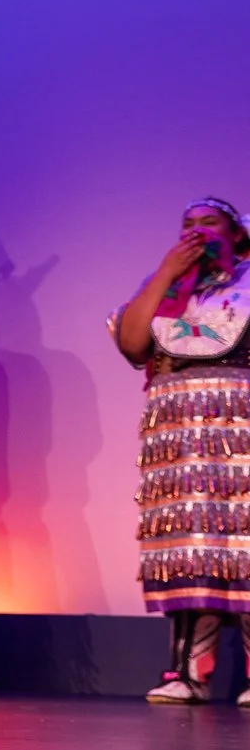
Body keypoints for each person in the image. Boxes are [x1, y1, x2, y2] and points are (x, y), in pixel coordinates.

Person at [110, 197, 250, 705]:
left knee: (245, 543)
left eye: (209, 222)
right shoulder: (169, 287)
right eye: (187, 224)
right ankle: (189, 673)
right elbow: (131, 344)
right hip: (178, 431)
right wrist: (167, 272)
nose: (196, 231)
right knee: (190, 545)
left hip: (240, 424)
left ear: (235, 233)